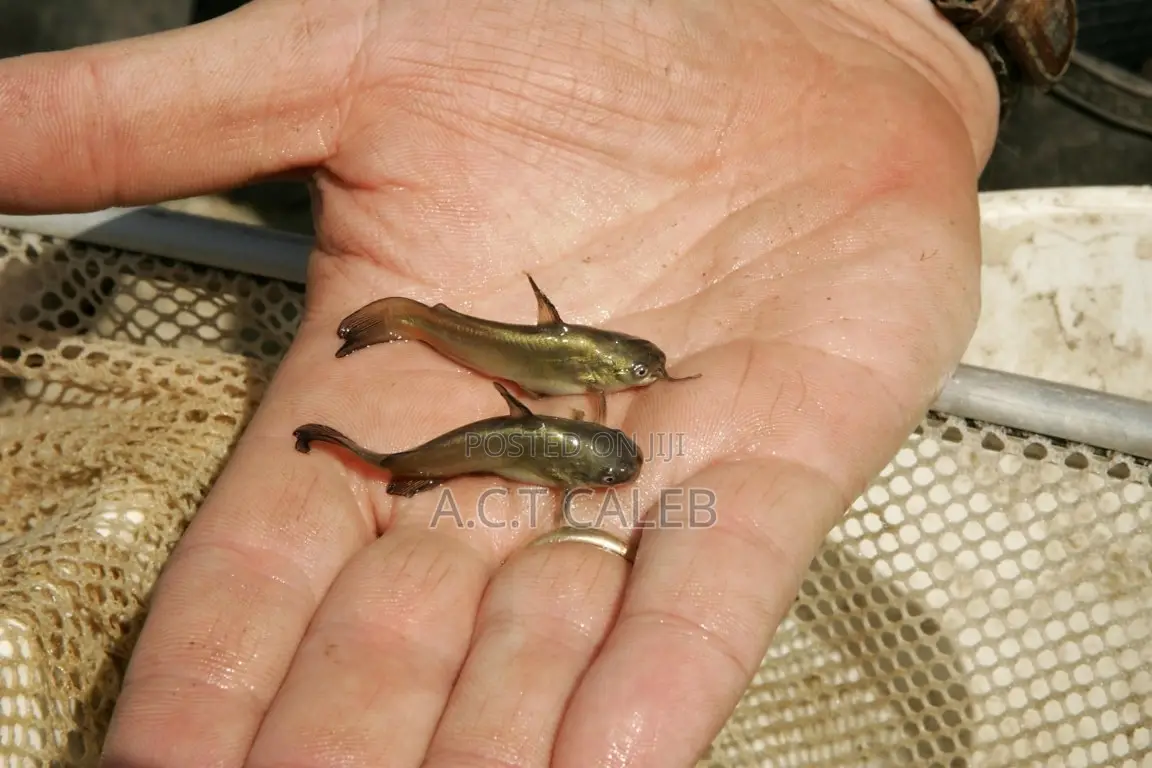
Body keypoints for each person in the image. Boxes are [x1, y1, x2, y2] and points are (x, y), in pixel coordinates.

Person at [0, 0, 999, 765]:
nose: (641, 382)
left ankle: (364, 433)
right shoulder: (582, 397)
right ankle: (370, 400)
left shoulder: (583, 403)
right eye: (635, 373)